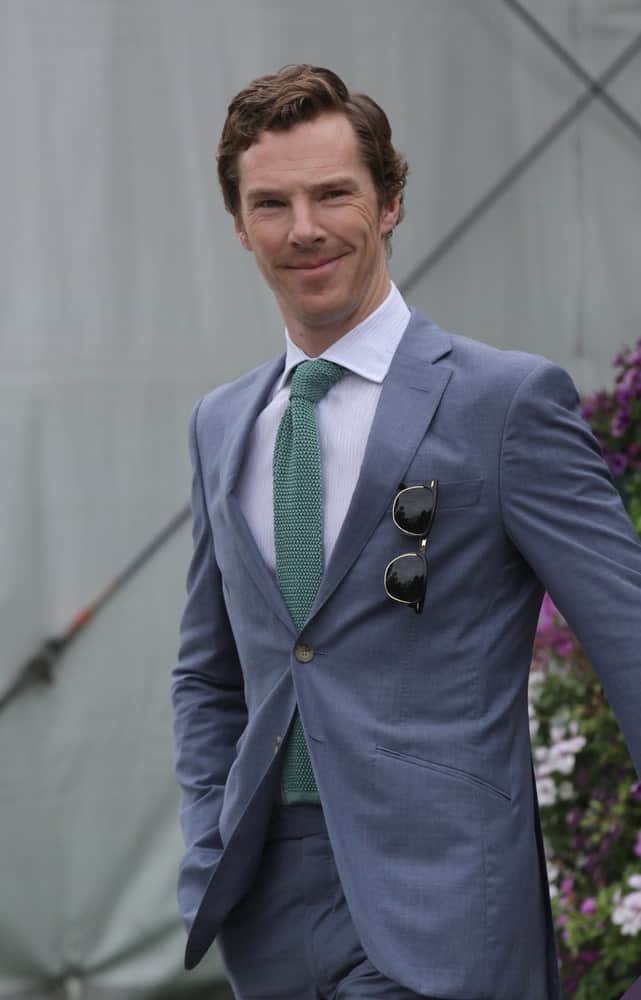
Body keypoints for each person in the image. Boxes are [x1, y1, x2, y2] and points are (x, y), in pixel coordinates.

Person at [171, 64, 641, 1000]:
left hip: (446, 914)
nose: (302, 228)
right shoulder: (221, 424)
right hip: (267, 912)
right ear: (238, 225)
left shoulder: (502, 402)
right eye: (271, 203)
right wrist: (207, 844)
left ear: (388, 202)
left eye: (333, 193)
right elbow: (209, 671)